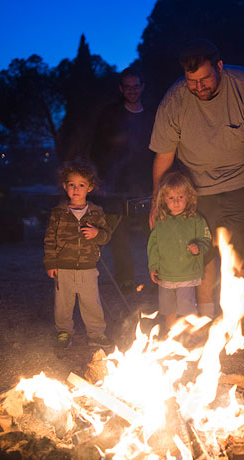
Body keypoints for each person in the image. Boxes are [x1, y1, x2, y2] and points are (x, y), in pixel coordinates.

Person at [149, 39, 244, 318]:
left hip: (242, 184)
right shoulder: (175, 99)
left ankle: (238, 319)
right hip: (197, 188)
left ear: (220, 67)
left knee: (241, 256)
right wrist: (157, 202)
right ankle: (203, 317)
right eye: (192, 81)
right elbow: (164, 156)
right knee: (203, 256)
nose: (198, 87)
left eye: (204, 79)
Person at [91, 67, 155, 294]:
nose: (132, 91)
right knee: (118, 233)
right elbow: (97, 148)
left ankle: (158, 277)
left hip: (146, 182)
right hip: (117, 184)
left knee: (153, 232)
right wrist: (102, 179)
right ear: (121, 89)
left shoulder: (151, 115)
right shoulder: (111, 115)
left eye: (136, 86)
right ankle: (125, 278)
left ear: (142, 87)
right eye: (127, 87)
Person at [43, 161, 113, 349]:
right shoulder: (58, 213)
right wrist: (50, 263)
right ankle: (64, 332)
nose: (76, 189)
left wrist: (97, 233)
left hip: (88, 267)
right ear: (65, 186)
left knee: (91, 303)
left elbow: (106, 236)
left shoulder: (96, 212)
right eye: (71, 184)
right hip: (63, 267)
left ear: (89, 187)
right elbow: (50, 239)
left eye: (81, 185)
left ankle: (96, 333)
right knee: (63, 304)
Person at [147, 172, 211, 331]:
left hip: (187, 274)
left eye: (180, 197)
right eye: (171, 198)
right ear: (164, 199)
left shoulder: (195, 219)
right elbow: (153, 246)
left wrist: (198, 247)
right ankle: (171, 336)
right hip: (165, 275)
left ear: (188, 197)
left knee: (187, 308)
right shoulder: (161, 222)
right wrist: (153, 266)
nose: (176, 202)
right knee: (168, 309)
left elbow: (206, 239)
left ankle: (190, 336)